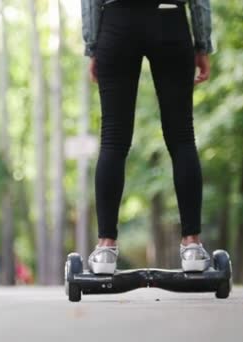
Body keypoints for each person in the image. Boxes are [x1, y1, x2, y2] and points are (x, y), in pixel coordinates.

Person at [81, 0, 214, 274]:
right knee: (182, 138)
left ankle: (105, 249)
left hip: (117, 21)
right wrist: (202, 43)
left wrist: (93, 46)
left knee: (113, 140)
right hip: (170, 19)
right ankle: (192, 246)